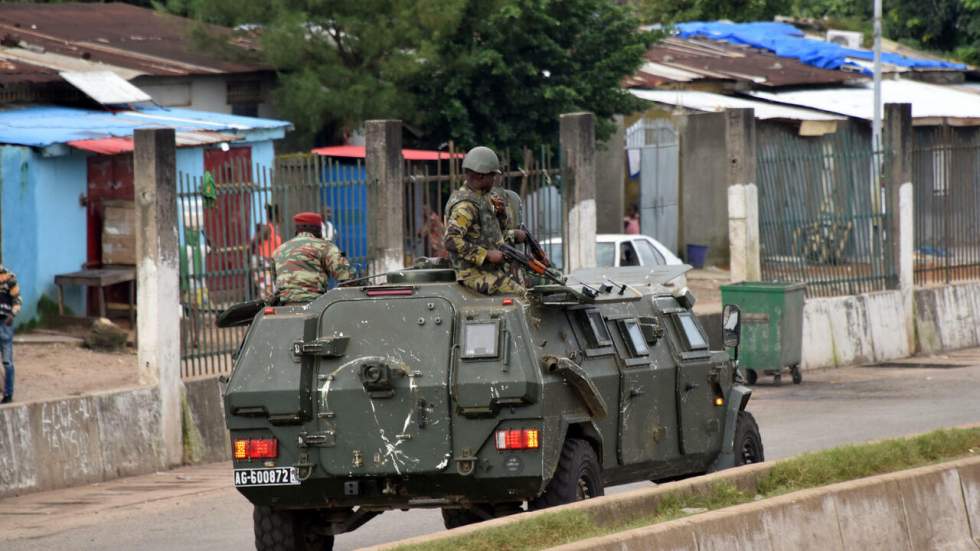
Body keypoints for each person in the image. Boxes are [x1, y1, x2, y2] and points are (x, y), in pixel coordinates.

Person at [443, 146, 524, 295]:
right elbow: (450, 240)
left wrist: (501, 215)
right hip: (472, 274)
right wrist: (486, 255)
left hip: (491, 269)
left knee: (531, 283)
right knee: (520, 295)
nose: (495, 179)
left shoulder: (484, 198)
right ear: (480, 176)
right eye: (492, 175)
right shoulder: (465, 206)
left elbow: (492, 234)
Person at [272, 212, 352, 305]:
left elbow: (276, 280)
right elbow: (346, 277)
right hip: (315, 304)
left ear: (297, 230)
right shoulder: (325, 247)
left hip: (285, 305)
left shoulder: (278, 250)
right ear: (319, 230)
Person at [0, 265, 21, 403]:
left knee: (7, 362)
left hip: (4, 323)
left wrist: (12, 315)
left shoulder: (9, 277)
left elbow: (17, 300)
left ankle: (8, 394)